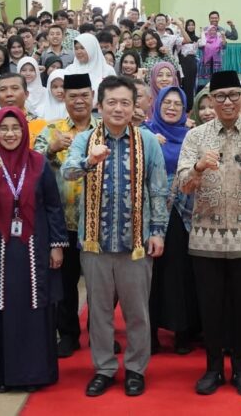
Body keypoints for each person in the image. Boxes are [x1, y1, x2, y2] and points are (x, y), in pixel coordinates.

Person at [62, 76, 168, 397]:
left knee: (137, 312)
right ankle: (105, 368)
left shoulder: (147, 141)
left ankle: (136, 369)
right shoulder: (85, 139)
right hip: (95, 241)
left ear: (134, 106)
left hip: (136, 243)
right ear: (100, 105)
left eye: (125, 102)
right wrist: (88, 162)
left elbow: (159, 190)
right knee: (100, 312)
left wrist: (159, 231)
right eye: (112, 102)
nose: (119, 108)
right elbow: (68, 171)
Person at [176, 70, 241, 397]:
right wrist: (197, 168)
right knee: (211, 309)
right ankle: (213, 369)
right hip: (205, 239)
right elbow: (182, 185)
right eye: (220, 96)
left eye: (234, 95)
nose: (228, 102)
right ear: (210, 100)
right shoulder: (196, 138)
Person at [0, 107, 67, 391]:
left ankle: (34, 374)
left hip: (34, 247)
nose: (10, 134)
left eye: (16, 128)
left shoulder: (38, 163)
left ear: (24, 131)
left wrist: (57, 245)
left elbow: (52, 206)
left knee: (34, 304)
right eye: (3, 129)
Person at [34, 73, 100, 358]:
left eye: (84, 95)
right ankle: (69, 334)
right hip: (62, 222)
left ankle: (101, 334)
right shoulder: (52, 130)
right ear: (64, 98)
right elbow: (32, 169)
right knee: (65, 283)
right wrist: (50, 150)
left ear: (93, 96)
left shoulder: (105, 129)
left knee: (101, 285)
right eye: (73, 96)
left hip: (98, 221)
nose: (79, 101)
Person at [146, 86, 200, 354]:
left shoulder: (191, 136)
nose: (171, 107)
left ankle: (182, 331)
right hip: (152, 214)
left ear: (184, 108)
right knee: (151, 275)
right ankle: (151, 332)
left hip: (183, 215)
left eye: (177, 104)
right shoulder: (145, 133)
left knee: (180, 273)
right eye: (166, 102)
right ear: (157, 105)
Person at [66, 33, 117, 104]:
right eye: (76, 48)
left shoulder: (107, 70)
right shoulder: (70, 70)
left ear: (92, 48)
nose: (79, 52)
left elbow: (115, 94)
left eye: (82, 48)